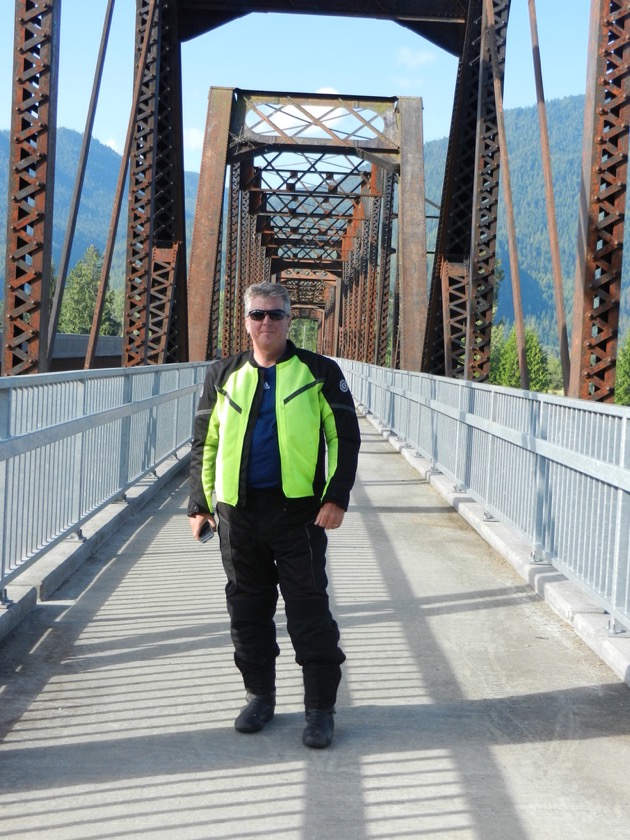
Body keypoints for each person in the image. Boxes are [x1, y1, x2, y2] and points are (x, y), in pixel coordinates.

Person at [188, 281, 361, 749]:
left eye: (276, 315)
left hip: (298, 513)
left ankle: (320, 710)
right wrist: (199, 504)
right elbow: (204, 441)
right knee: (247, 611)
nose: (266, 323)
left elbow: (344, 437)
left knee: (309, 613)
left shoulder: (320, 371)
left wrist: (336, 497)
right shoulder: (222, 373)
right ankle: (259, 697)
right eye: (258, 315)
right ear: (245, 321)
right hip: (237, 513)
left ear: (291, 320)